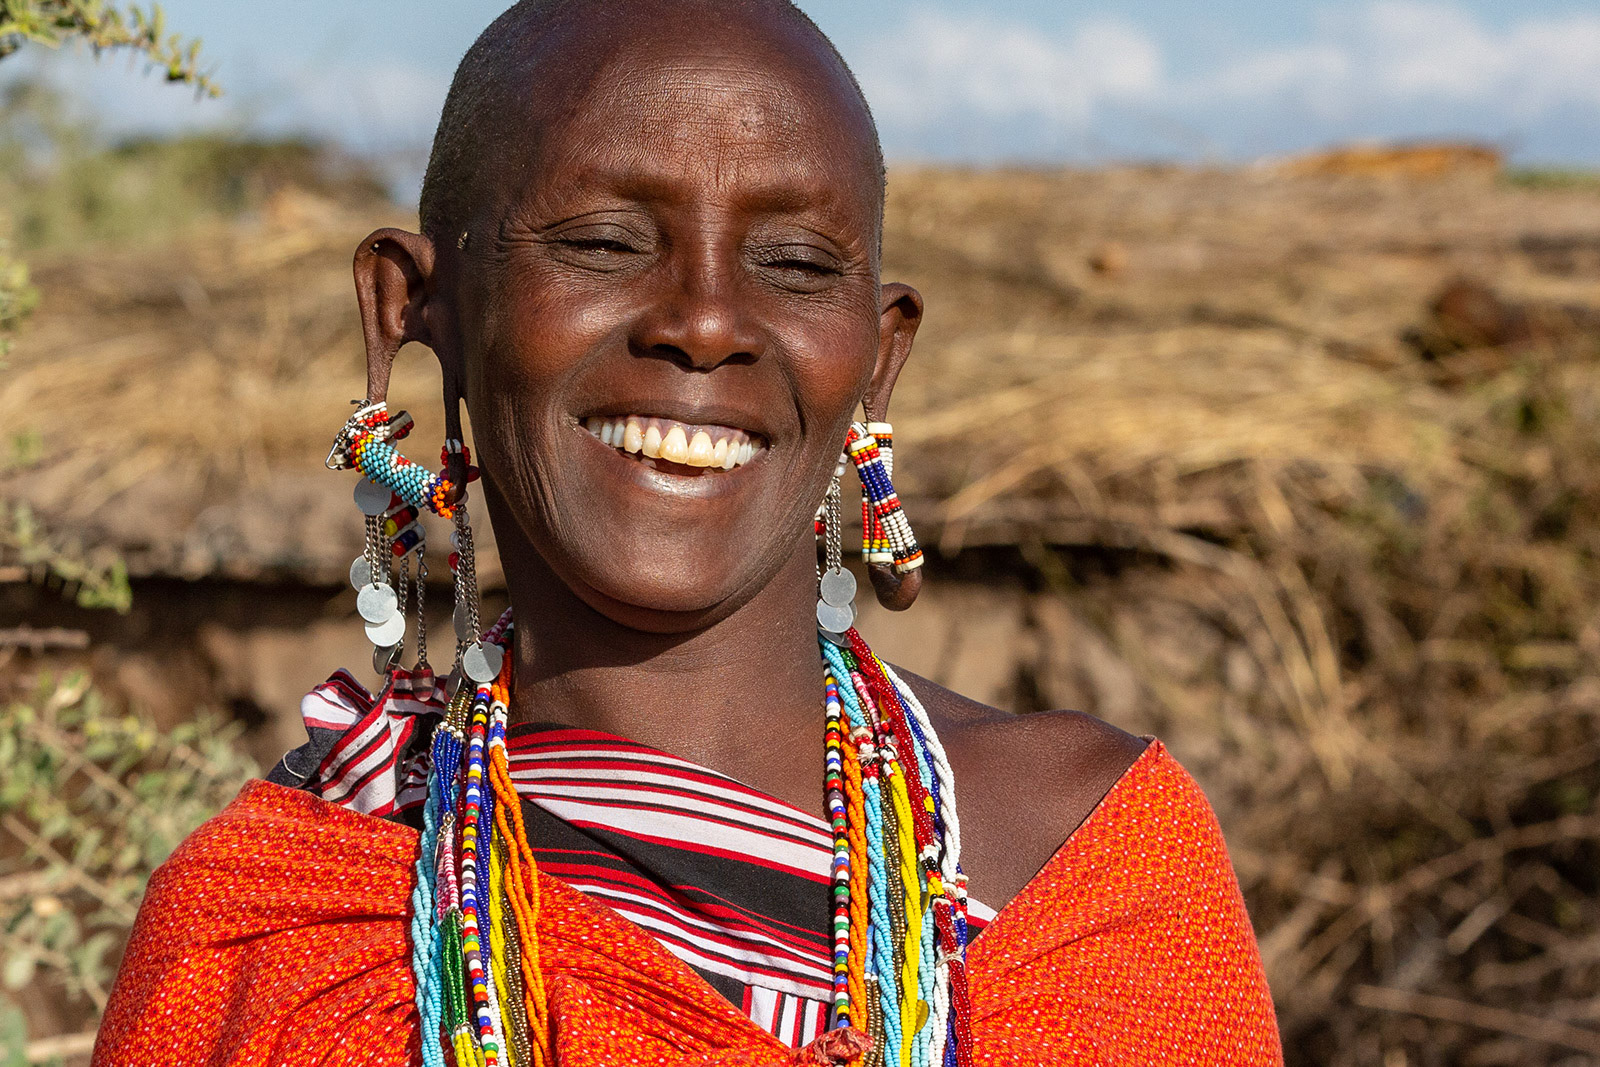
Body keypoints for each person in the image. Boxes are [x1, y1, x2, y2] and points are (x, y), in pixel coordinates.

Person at [91, 1, 1282, 1064]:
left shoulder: (1077, 871)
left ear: (879, 349)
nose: (707, 321)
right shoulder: (287, 919)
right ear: (417, 309)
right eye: (604, 242)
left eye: (797, 261)